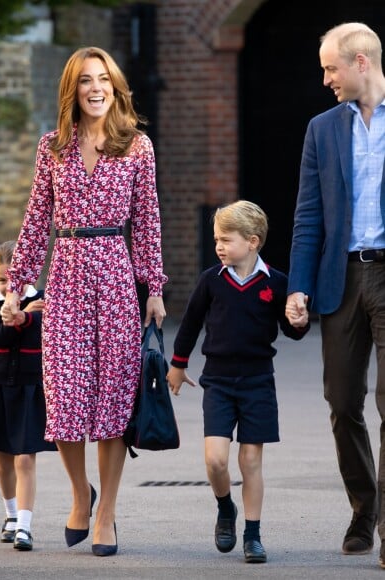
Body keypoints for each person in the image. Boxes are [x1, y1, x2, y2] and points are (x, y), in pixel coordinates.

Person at [1, 46, 167, 557]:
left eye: (104, 80)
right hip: (67, 278)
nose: (96, 88)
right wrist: (17, 288)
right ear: (71, 90)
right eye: (85, 81)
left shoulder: (137, 147)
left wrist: (154, 287)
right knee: (67, 399)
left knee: (113, 404)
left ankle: (108, 514)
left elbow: (147, 222)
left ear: (115, 88)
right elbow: (34, 225)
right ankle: (80, 495)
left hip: (115, 278)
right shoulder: (52, 147)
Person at [285, 22, 385, 567]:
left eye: (331, 68)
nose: (325, 79)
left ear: (361, 62)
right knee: (342, 401)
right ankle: (363, 508)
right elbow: (307, 217)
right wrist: (297, 286)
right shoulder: (321, 130)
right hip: (340, 277)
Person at [167, 200, 309, 564]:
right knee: (215, 461)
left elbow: (292, 333)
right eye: (216, 239)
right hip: (218, 380)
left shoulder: (276, 283)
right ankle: (225, 507)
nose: (219, 246)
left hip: (259, 381)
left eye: (226, 239)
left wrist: (298, 321)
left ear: (253, 241)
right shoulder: (210, 281)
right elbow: (190, 325)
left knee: (250, 461)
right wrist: (178, 366)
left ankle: (253, 535)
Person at [0, 240, 56, 552]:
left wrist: (26, 317)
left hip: (31, 389)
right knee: (3, 459)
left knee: (25, 459)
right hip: (0, 388)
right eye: (1, 280)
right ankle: (10, 515)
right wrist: (20, 317)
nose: (7, 286)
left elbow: (43, 328)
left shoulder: (43, 301)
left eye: (13, 280)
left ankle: (25, 526)